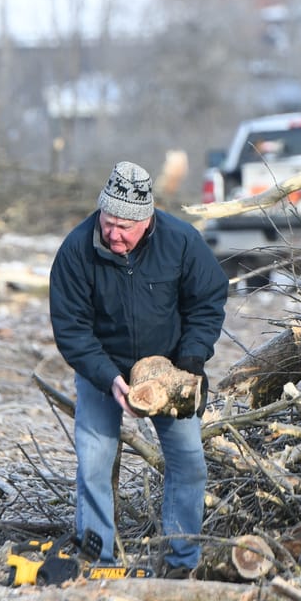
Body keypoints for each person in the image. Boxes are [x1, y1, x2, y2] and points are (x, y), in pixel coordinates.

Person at [49, 159, 229, 576]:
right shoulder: (76, 251)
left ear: (147, 219)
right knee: (93, 460)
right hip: (102, 370)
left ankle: (181, 560)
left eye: (124, 226)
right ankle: (98, 558)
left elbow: (208, 302)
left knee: (189, 463)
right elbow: (72, 329)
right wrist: (109, 378)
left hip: (169, 371)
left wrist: (190, 361)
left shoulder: (181, 242)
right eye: (108, 221)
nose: (113, 233)